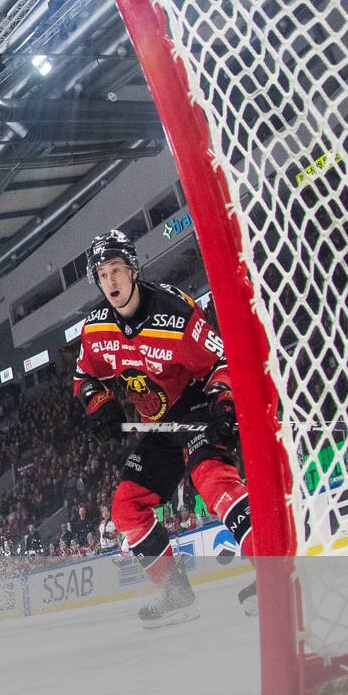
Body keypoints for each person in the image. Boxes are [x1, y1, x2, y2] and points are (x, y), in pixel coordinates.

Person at [73, 231, 255, 625]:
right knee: (126, 507)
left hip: (199, 410)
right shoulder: (96, 330)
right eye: (103, 275)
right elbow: (85, 375)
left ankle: (276, 568)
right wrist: (99, 404)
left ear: (133, 270)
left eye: (117, 270)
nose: (111, 282)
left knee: (211, 479)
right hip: (159, 428)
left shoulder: (175, 312)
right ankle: (176, 596)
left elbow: (221, 361)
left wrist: (224, 400)